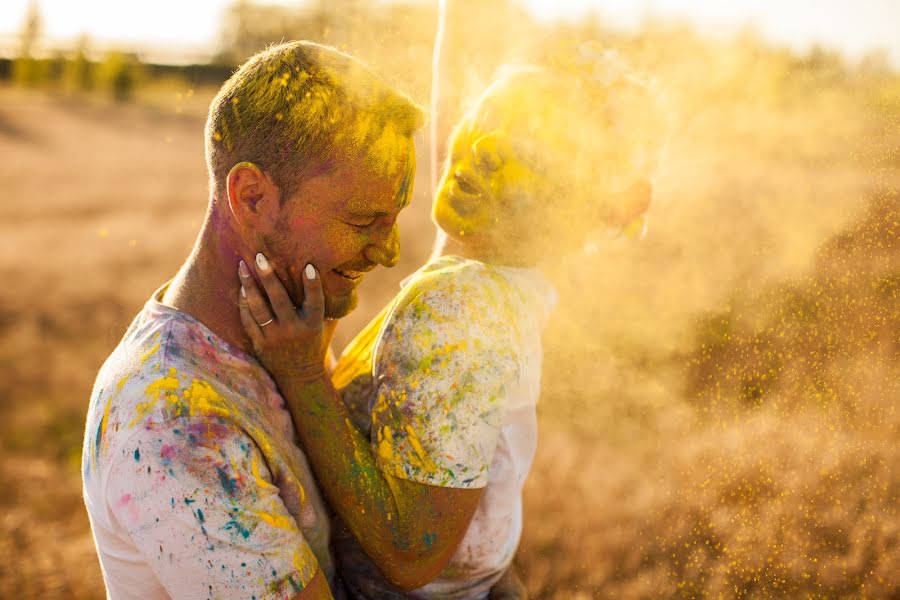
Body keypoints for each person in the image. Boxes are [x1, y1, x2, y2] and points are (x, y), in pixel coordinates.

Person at [238, 47, 666, 598]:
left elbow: (411, 554)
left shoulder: (455, 306)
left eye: (526, 150)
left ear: (572, 207)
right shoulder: (508, 282)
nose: (480, 149)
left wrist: (301, 373)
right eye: (484, 119)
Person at [81, 40, 425, 599]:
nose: (388, 252)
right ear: (253, 197)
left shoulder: (284, 330)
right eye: (364, 221)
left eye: (393, 220)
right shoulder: (173, 416)